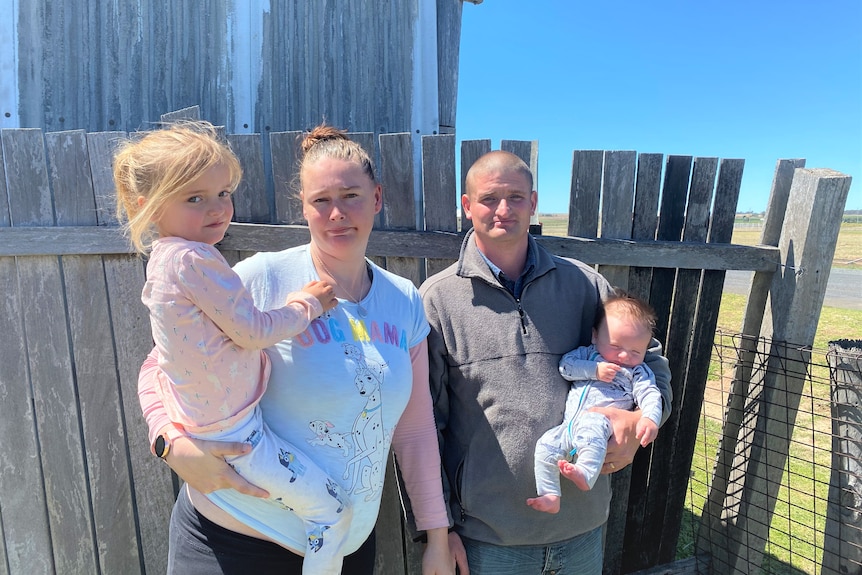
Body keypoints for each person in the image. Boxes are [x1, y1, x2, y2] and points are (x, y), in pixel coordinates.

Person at [136, 123, 454, 575]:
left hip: (344, 548)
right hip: (234, 543)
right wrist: (170, 444)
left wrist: (437, 537)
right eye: (321, 200)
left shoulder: (403, 300)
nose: (337, 213)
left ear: (377, 198)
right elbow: (159, 362)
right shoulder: (261, 279)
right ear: (303, 209)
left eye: (351, 196)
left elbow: (415, 430)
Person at [114, 121, 353, 574]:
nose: (218, 208)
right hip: (238, 437)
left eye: (223, 193)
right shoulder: (194, 259)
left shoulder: (165, 262)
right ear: (147, 207)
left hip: (216, 427)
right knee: (332, 511)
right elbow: (252, 331)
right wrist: (307, 304)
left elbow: (169, 360)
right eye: (194, 198)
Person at [418, 150, 672, 575]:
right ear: (467, 206)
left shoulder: (586, 284)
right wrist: (438, 533)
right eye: (489, 198)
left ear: (533, 203)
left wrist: (640, 426)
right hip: (488, 539)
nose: (503, 209)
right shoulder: (437, 301)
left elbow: (651, 363)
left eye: (516, 197)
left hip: (581, 528)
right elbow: (423, 426)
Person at [527, 291, 663, 514]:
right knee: (545, 445)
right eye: (616, 346)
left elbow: (650, 394)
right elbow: (565, 367)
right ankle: (550, 494)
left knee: (592, 426)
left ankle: (585, 473)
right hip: (568, 426)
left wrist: (649, 418)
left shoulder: (637, 372)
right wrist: (594, 371)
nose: (623, 357)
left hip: (601, 424)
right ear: (594, 336)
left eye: (635, 351)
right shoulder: (587, 356)